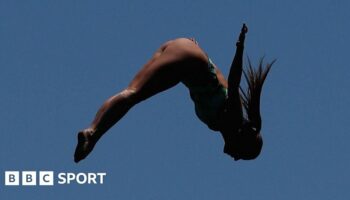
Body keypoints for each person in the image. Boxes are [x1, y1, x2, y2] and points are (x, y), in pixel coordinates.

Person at [74, 24, 274, 163]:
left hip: (185, 55)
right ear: (241, 141)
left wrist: (193, 51)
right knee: (133, 94)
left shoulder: (220, 125)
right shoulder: (234, 118)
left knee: (133, 93)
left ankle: (93, 132)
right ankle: (92, 132)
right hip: (188, 60)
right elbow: (234, 80)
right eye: (242, 155)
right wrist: (239, 48)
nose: (236, 158)